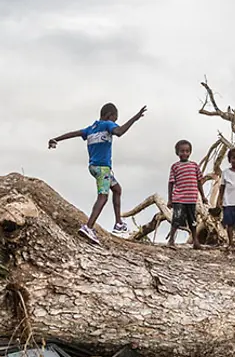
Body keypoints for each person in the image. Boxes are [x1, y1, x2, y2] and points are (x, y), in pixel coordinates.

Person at [48, 103, 146, 245]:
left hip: (94, 167)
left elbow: (73, 134)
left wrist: (56, 139)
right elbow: (119, 132)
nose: (115, 123)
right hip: (102, 169)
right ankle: (88, 227)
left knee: (117, 189)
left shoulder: (91, 129)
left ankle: (118, 223)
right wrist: (135, 118)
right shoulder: (107, 125)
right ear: (109, 116)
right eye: (114, 119)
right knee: (103, 197)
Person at [166, 139, 206, 249]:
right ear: (177, 153)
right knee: (176, 219)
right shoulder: (175, 166)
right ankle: (171, 240)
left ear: (190, 152)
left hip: (192, 198)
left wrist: (203, 196)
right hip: (179, 198)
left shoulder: (194, 166)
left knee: (192, 221)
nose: (184, 153)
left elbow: (199, 182)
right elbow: (171, 183)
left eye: (187, 151)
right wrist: (170, 199)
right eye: (182, 151)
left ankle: (195, 242)